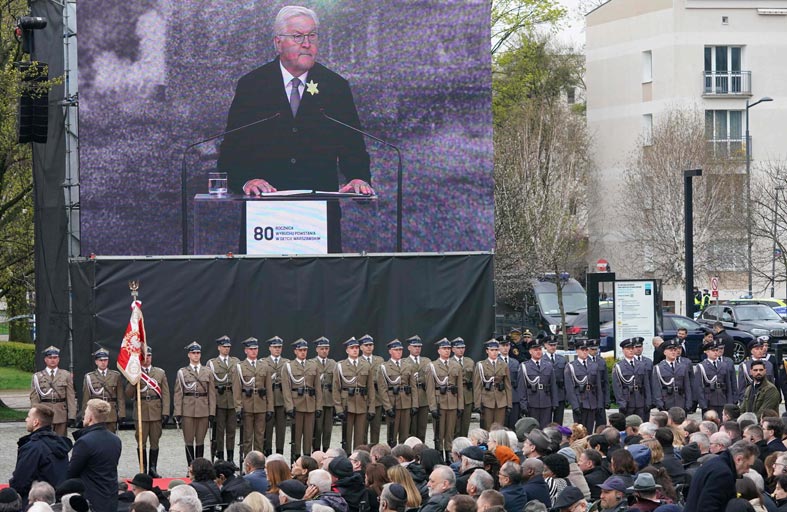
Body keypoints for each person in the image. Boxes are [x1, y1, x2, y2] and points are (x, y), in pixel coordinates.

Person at [217, 5, 372, 251]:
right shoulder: (252, 86)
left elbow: (353, 147)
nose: (307, 43)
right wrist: (246, 181)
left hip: (318, 217)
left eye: (312, 36)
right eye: (298, 36)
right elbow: (230, 153)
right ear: (278, 43)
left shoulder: (335, 87)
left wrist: (358, 177)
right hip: (265, 216)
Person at [67, 398, 122, 512]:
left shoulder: (84, 442)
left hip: (92, 498)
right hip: (111, 496)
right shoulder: (116, 440)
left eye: (85, 413)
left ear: (90, 417)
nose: (83, 416)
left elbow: (72, 472)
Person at [9, 405, 72, 503]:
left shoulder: (33, 447)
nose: (26, 419)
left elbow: (20, 481)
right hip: (55, 500)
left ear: (36, 422)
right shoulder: (59, 443)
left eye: (28, 416)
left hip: (36, 501)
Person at [125, 346, 171, 478]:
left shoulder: (160, 373)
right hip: (141, 411)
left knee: (155, 441)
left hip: (156, 411)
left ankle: (152, 468)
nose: (147, 358)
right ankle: (143, 468)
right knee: (141, 441)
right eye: (144, 356)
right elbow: (128, 394)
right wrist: (134, 379)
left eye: (149, 356)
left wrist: (166, 412)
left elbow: (166, 394)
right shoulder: (135, 372)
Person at [684, 439, 759, 512]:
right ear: (739, 459)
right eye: (748, 466)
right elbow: (709, 507)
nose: (747, 471)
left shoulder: (714, 464)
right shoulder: (723, 474)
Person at [174, 341, 217, 466]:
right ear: (189, 355)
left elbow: (211, 393)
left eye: (198, 353)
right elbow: (178, 393)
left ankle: (199, 467)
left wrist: (212, 411)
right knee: (188, 440)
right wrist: (178, 412)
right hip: (188, 409)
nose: (196, 355)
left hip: (203, 410)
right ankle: (190, 467)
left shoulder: (207, 372)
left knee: (200, 440)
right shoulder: (183, 372)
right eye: (193, 353)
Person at [282, 338, 323, 462]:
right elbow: (286, 389)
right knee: (297, 435)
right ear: (295, 351)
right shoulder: (289, 366)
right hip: (296, 404)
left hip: (310, 403)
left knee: (309, 435)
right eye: (300, 350)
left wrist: (318, 406)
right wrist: (289, 406)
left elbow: (318, 388)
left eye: (305, 350)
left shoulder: (313, 365)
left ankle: (307, 458)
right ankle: (296, 459)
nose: (303, 352)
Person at [334, 337, 376, 452]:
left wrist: (371, 408)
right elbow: (336, 388)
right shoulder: (340, 366)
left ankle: (358, 456)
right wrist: (338, 409)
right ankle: (347, 456)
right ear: (347, 350)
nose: (355, 350)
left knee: (360, 436)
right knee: (346, 436)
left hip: (362, 403)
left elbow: (370, 388)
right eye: (352, 348)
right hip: (347, 404)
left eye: (357, 347)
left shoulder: (366, 365)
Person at [234, 337, 274, 458]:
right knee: (247, 437)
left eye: (255, 349)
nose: (253, 351)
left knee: (260, 436)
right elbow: (236, 389)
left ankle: (258, 461)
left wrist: (270, 408)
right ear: (246, 350)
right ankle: (248, 461)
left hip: (261, 405)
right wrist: (238, 407)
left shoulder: (264, 366)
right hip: (247, 405)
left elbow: (269, 389)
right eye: (251, 349)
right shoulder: (240, 367)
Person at [427, 338, 464, 461]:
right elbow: (430, 389)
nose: (447, 351)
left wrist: (460, 405)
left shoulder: (456, 366)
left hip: (452, 402)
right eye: (444, 348)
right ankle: (439, 455)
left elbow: (460, 388)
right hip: (439, 402)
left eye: (448, 348)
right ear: (439, 350)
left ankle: (449, 455)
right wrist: (432, 407)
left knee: (450, 432)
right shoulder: (432, 366)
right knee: (439, 432)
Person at [207, 335, 241, 466]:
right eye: (224, 346)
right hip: (219, 399)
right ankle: (220, 458)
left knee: (231, 430)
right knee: (219, 431)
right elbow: (210, 383)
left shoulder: (236, 361)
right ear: (219, 348)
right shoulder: (212, 363)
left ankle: (230, 458)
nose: (226, 349)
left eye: (228, 347)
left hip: (232, 399)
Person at [30, 346, 77, 436]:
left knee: (60, 439)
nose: (52, 360)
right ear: (45, 360)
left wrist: (72, 415)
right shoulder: (37, 376)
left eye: (55, 358)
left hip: (60, 413)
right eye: (50, 358)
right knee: (45, 439)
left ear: (58, 359)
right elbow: (34, 398)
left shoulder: (66, 375)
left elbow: (70, 396)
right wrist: (34, 415)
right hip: (44, 413)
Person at [381, 339, 419, 447]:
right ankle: (392, 453)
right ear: (390, 351)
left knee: (405, 434)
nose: (399, 352)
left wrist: (414, 404)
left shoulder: (408, 366)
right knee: (392, 434)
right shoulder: (384, 367)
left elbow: (413, 387)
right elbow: (382, 389)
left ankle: (404, 453)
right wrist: (387, 407)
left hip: (406, 403)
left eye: (400, 350)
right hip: (393, 403)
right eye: (396, 350)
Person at [80, 347, 125, 433]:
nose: (103, 362)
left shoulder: (115, 376)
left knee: (111, 435)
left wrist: (121, 413)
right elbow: (86, 398)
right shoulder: (90, 377)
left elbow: (120, 397)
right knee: (96, 435)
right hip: (96, 412)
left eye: (105, 360)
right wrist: (84, 415)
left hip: (111, 412)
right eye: (100, 360)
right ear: (96, 362)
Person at [518, 336, 558, 428]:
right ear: (530, 351)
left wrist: (554, 403)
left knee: (546, 429)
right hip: (532, 402)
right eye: (535, 350)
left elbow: (553, 385)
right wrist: (523, 404)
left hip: (546, 402)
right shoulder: (524, 366)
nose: (538, 352)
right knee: (533, 429)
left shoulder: (548, 365)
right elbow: (522, 387)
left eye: (540, 349)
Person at [565, 337, 603, 433]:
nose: (585, 352)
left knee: (589, 430)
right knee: (579, 432)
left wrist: (599, 403)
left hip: (591, 402)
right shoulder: (571, 366)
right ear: (577, 351)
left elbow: (598, 386)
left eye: (586, 350)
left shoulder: (594, 365)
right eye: (582, 350)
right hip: (579, 401)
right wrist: (575, 405)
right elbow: (569, 388)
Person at [473, 340, 512, 430]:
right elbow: (477, 386)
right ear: (487, 351)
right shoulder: (481, 365)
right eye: (492, 350)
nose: (494, 352)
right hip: (487, 400)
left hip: (501, 400)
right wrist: (477, 404)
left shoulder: (504, 365)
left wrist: (509, 404)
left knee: (499, 427)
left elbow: (508, 386)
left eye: (496, 350)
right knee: (487, 426)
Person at [260, 336, 289, 457]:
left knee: (281, 430)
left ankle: (279, 454)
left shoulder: (287, 363)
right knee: (267, 429)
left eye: (279, 347)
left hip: (282, 399)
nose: (277, 349)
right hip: (268, 400)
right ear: (270, 348)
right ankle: (267, 454)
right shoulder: (263, 362)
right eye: (275, 347)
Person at [694, 337, 735, 417]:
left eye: (716, 350)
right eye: (713, 351)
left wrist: (729, 401)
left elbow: (728, 385)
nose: (716, 352)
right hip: (709, 400)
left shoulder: (724, 365)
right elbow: (699, 387)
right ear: (707, 352)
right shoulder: (701, 366)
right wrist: (703, 404)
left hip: (722, 399)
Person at [359, 335, 388, 446]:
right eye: (366, 345)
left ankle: (375, 451)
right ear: (361, 347)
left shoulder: (379, 360)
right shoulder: (358, 361)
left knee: (376, 429)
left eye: (370, 345)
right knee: (362, 429)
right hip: (363, 398)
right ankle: (363, 451)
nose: (369, 347)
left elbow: (383, 378)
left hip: (377, 398)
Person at [612, 338, 651, 418]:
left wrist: (648, 401)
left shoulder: (641, 365)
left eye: (632, 348)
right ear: (623, 350)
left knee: (641, 423)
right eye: (628, 349)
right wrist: (621, 402)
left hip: (640, 400)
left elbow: (646, 384)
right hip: (627, 401)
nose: (631, 351)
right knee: (627, 423)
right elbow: (617, 387)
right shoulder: (619, 366)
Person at [652, 338, 692, 411]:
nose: (673, 352)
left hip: (681, 401)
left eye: (675, 350)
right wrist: (660, 403)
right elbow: (656, 388)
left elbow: (687, 386)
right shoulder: (658, 368)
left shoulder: (683, 367)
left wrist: (688, 403)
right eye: (671, 350)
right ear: (665, 352)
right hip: (666, 402)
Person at [312, 336, 337, 452]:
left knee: (328, 429)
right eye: (322, 348)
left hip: (329, 400)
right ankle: (316, 451)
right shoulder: (311, 363)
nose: (324, 351)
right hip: (316, 400)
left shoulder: (333, 363)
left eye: (326, 348)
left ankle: (326, 450)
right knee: (317, 428)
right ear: (317, 349)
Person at [406, 336, 431, 442]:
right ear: (409, 348)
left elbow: (430, 377)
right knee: (410, 428)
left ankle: (421, 447)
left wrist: (420, 379)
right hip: (409, 397)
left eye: (419, 346)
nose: (417, 348)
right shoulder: (404, 362)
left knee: (422, 427)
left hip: (423, 396)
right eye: (415, 346)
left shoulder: (426, 361)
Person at [738, 338, 776, 403]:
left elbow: (772, 383)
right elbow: (742, 388)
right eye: (757, 349)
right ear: (751, 351)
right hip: (750, 399)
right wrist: (743, 402)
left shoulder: (769, 365)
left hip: (766, 400)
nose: (760, 351)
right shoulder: (745, 366)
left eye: (761, 349)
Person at [450, 338, 475, 439]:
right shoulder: (449, 362)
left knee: (465, 424)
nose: (461, 350)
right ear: (453, 349)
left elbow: (475, 380)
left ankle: (464, 442)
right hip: (454, 395)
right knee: (455, 425)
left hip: (467, 395)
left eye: (463, 348)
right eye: (458, 348)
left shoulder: (470, 362)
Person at [496, 338, 520, 430]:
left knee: (513, 423)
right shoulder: (495, 361)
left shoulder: (515, 362)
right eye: (503, 346)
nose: (505, 348)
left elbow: (519, 381)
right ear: (498, 347)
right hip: (500, 395)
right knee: (501, 424)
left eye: (507, 345)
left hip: (514, 396)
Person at [543, 336, 568, 425]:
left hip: (559, 394)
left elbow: (567, 379)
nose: (553, 347)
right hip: (547, 394)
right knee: (546, 421)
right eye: (550, 345)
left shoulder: (562, 359)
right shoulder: (541, 359)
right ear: (545, 345)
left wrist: (567, 396)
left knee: (558, 421)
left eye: (554, 345)